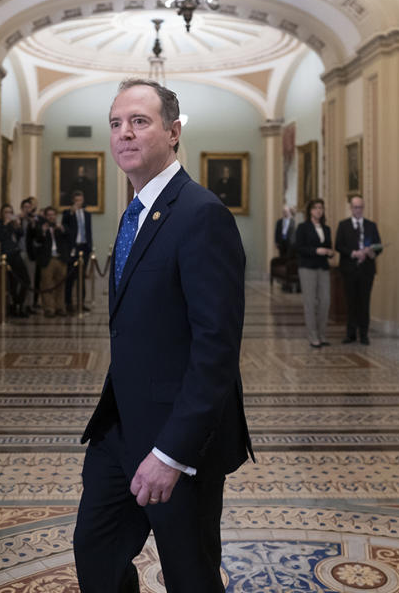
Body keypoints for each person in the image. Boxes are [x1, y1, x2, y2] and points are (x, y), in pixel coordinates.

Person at [74, 79, 253, 592]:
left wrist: (172, 453)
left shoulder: (202, 215)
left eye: (139, 121)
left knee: (190, 576)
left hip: (180, 440)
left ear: (174, 133)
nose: (124, 133)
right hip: (121, 428)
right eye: (115, 123)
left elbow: (215, 349)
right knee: (97, 549)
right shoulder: (136, 212)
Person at [334, 194, 382, 345]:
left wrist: (372, 252)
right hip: (349, 270)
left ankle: (364, 334)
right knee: (351, 302)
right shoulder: (343, 225)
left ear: (363, 208)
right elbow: (339, 246)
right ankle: (350, 333)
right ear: (351, 208)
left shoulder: (371, 225)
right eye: (355, 207)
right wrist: (353, 253)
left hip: (366, 270)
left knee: (364, 303)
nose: (358, 210)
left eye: (360, 207)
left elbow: (378, 245)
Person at [295, 199, 334, 348]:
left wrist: (330, 252)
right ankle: (313, 336)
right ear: (310, 211)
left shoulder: (327, 228)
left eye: (321, 208)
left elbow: (328, 246)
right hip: (307, 268)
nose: (319, 210)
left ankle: (322, 334)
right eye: (316, 208)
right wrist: (316, 250)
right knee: (310, 303)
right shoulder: (303, 228)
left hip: (323, 267)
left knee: (325, 301)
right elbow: (299, 248)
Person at [0, 204, 31, 317]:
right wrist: (6, 223)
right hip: (7, 255)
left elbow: (20, 235)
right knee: (12, 283)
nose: (8, 214)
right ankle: (14, 307)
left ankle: (19, 303)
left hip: (16, 253)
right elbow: (1, 237)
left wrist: (18, 225)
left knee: (26, 280)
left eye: (10, 212)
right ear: (1, 213)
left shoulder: (13, 224)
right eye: (6, 212)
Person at [32, 206, 70, 318]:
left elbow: (68, 236)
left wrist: (62, 229)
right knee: (47, 285)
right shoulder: (40, 227)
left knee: (60, 285)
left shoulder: (61, 226)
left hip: (60, 259)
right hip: (47, 260)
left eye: (53, 215)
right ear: (45, 216)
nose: (51, 217)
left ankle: (60, 307)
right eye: (49, 215)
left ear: (56, 216)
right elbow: (37, 240)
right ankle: (49, 309)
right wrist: (43, 232)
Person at [62, 190, 93, 313]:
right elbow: (64, 226)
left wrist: (90, 247)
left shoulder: (87, 214)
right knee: (70, 277)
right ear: (73, 201)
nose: (79, 202)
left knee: (81, 277)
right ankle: (69, 303)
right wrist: (71, 213)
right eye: (76, 200)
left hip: (84, 248)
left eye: (80, 200)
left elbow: (89, 231)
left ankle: (81, 303)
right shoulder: (67, 213)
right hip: (72, 249)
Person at [17, 197, 38, 312]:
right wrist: (18, 222)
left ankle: (29, 304)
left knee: (30, 279)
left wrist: (34, 225)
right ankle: (20, 304)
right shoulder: (17, 219)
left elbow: (38, 237)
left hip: (29, 253)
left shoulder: (33, 220)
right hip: (19, 252)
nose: (27, 209)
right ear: (21, 208)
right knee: (20, 280)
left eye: (29, 207)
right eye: (25, 207)